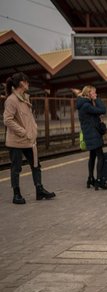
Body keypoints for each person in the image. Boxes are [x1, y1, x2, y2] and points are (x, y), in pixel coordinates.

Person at [3, 72, 56, 204]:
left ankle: (39, 190)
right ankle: (16, 194)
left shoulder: (25, 98)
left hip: (29, 140)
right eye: (27, 81)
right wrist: (23, 132)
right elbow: (7, 120)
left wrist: (33, 130)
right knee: (16, 168)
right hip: (16, 141)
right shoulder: (11, 100)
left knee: (36, 165)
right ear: (21, 83)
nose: (28, 84)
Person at [76, 85, 107, 190]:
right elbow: (103, 110)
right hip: (93, 134)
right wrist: (96, 100)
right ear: (88, 93)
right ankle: (99, 180)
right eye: (94, 93)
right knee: (101, 157)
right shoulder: (86, 105)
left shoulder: (83, 105)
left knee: (92, 156)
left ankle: (90, 178)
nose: (96, 94)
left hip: (89, 134)